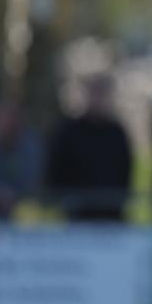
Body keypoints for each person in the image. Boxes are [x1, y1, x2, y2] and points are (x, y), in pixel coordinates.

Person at [45, 74, 132, 222]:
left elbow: (125, 170)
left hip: (110, 214)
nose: (97, 98)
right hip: (78, 216)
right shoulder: (68, 131)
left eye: (101, 92)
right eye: (93, 92)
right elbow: (57, 170)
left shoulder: (116, 132)